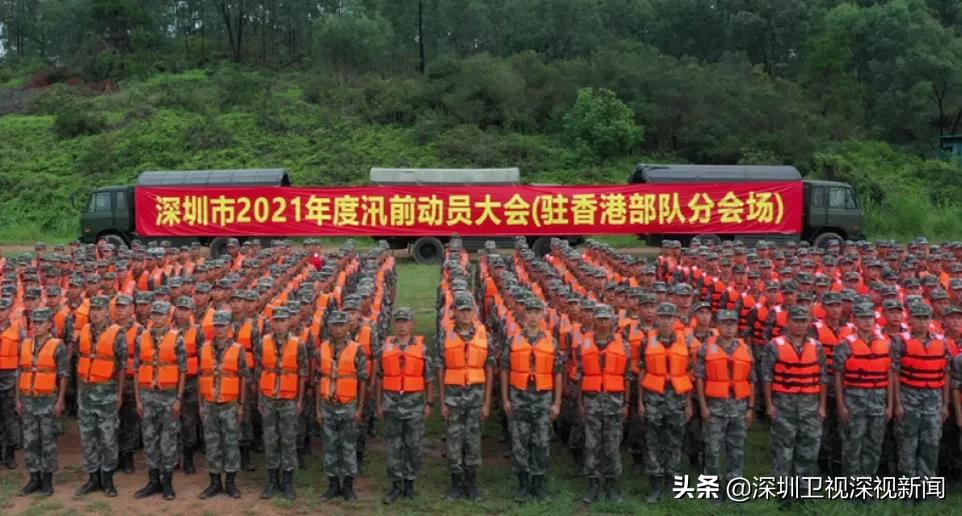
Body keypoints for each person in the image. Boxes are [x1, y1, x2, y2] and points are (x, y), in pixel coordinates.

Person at [762, 305, 827, 509]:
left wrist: (822, 406)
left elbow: (823, 377)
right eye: (796, 321)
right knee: (784, 450)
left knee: (808, 450)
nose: (800, 325)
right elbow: (767, 376)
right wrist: (770, 404)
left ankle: (804, 493)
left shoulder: (816, 346)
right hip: (784, 405)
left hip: (810, 405)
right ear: (787, 322)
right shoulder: (775, 345)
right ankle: (784, 495)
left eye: (803, 321)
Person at [501, 298, 563, 502]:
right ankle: (523, 486)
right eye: (530, 312)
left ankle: (539, 485)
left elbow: (558, 373)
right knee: (520, 442)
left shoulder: (551, 341)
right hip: (519, 398)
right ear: (524, 315)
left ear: (542, 315)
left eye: (537, 312)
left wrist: (557, 403)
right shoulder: (512, 340)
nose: (534, 316)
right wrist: (506, 399)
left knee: (542, 442)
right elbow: (504, 370)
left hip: (543, 399)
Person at [437, 294, 494, 501]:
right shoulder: (446, 336)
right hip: (453, 397)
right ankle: (455, 484)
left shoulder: (484, 336)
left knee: (473, 440)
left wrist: (487, 402)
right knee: (453, 440)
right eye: (461, 310)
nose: (465, 314)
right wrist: (442, 401)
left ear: (475, 312)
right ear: (454, 313)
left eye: (468, 310)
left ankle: (472, 484)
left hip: (476, 397)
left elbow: (489, 369)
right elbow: (440, 369)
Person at [695, 310, 754, 503]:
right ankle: (712, 491)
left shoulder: (745, 349)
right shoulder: (706, 348)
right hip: (715, 408)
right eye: (724, 323)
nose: (729, 327)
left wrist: (750, 408)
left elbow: (751, 380)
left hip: (738, 407)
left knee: (737, 449)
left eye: (732, 323)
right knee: (712, 449)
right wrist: (703, 406)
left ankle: (734, 490)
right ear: (717, 325)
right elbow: (700, 379)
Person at [894, 303, 950, 505]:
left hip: (934, 402)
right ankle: (908, 495)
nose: (921, 322)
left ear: (930, 320)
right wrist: (898, 403)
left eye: (925, 318)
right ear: (910, 321)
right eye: (917, 318)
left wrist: (945, 404)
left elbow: (946, 374)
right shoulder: (901, 342)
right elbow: (895, 373)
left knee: (931, 446)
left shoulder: (942, 343)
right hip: (909, 401)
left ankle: (927, 494)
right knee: (908, 447)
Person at [375, 307, 432, 503]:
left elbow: (428, 378)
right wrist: (379, 403)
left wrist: (428, 403)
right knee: (394, 446)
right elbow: (379, 378)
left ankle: (410, 484)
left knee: (413, 445)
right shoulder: (385, 348)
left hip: (414, 404)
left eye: (405, 321)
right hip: (391, 404)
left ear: (412, 324)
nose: (402, 325)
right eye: (398, 321)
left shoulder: (422, 349)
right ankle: (395, 485)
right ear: (394, 324)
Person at [639, 302, 694, 504]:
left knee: (675, 442)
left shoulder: (685, 342)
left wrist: (688, 403)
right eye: (661, 317)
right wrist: (640, 402)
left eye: (669, 317)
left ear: (675, 320)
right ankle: (655, 486)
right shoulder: (647, 342)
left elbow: (689, 374)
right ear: (656, 319)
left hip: (677, 400)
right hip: (653, 399)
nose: (665, 321)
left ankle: (674, 485)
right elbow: (642, 372)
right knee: (653, 442)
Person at [134, 301, 188, 501]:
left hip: (169, 395)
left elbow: (183, 370)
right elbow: (137, 369)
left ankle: (167, 482)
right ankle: (153, 480)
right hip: (148, 395)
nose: (156, 318)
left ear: (168, 317)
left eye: (161, 314)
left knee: (168, 439)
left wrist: (179, 399)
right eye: (154, 314)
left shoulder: (177, 339)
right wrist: (139, 399)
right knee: (149, 438)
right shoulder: (141, 339)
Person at [75, 296, 127, 498]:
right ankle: (93, 477)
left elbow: (122, 366)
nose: (95, 313)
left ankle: (108, 479)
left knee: (108, 437)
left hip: (107, 392)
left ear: (108, 312)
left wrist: (120, 393)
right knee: (88, 437)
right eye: (93, 309)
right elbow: (80, 361)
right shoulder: (85, 332)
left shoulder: (117, 334)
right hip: (86, 393)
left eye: (99, 309)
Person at [580, 304, 632, 503]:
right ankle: (593, 485)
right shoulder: (584, 344)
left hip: (615, 402)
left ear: (612, 321)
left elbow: (627, 376)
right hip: (591, 401)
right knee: (592, 445)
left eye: (606, 319)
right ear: (594, 320)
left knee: (612, 445)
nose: (602, 323)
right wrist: (580, 402)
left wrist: (626, 402)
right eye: (599, 319)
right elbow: (580, 375)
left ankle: (612, 486)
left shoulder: (624, 345)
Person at [834, 303, 892, 482]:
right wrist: (841, 404)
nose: (867, 321)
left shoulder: (885, 344)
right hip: (854, 402)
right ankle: (851, 486)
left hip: (878, 400)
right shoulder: (845, 345)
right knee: (853, 445)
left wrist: (889, 405)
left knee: (874, 445)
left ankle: (867, 484)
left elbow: (889, 375)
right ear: (854, 320)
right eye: (862, 317)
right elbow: (837, 376)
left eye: (870, 318)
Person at [316, 310, 368, 502]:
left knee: (348, 446)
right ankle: (332, 485)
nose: (338, 329)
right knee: (330, 445)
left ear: (348, 327)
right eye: (334, 325)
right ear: (329, 327)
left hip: (348, 404)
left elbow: (363, 379)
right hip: (327, 404)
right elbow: (318, 379)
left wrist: (360, 407)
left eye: (341, 325)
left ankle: (348, 486)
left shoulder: (357, 349)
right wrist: (318, 408)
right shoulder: (321, 348)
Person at [16, 307, 69, 496]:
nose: (36, 326)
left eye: (40, 322)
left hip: (47, 400)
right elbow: (19, 372)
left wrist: (60, 400)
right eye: (34, 322)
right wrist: (18, 399)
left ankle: (47, 480)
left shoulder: (57, 345)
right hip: (28, 399)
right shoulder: (25, 343)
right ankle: (33, 478)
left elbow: (63, 375)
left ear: (49, 324)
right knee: (30, 441)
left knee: (48, 440)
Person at [258, 307, 308, 501]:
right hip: (269, 399)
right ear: (272, 323)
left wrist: (300, 400)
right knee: (270, 441)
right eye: (276, 321)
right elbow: (260, 372)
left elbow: (303, 374)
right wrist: (261, 399)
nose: (279, 324)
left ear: (289, 322)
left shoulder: (298, 345)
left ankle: (287, 483)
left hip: (289, 400)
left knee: (288, 440)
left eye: (283, 320)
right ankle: (272, 482)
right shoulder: (263, 343)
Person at [198, 310, 249, 500]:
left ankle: (231, 482)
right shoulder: (204, 348)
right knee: (212, 444)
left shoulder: (238, 349)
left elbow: (243, 377)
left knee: (230, 443)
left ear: (229, 327)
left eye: (223, 325)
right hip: (210, 403)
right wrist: (202, 403)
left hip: (229, 404)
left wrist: (242, 404)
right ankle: (214, 482)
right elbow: (201, 376)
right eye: (216, 325)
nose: (219, 329)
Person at [0, 297, 25, 469]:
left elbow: (23, 355)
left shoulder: (18, 329)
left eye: (3, 309)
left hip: (10, 377)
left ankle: (9, 455)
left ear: (9, 311)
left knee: (10, 417)